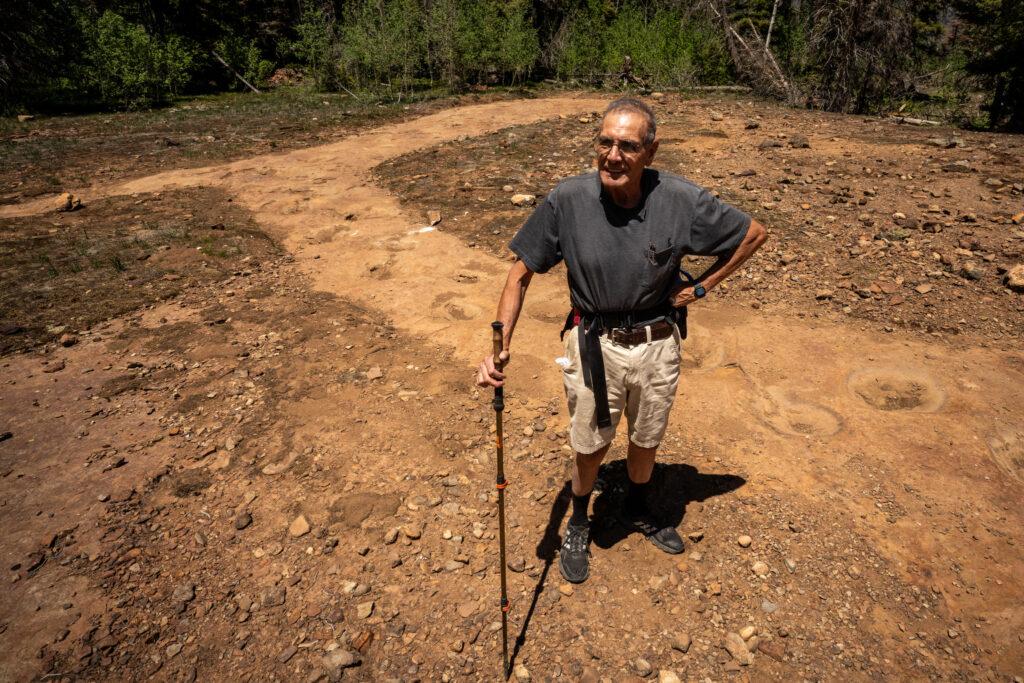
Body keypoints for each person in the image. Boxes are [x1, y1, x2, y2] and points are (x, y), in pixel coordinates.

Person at [476, 98, 767, 584]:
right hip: (593, 342)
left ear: (650, 152)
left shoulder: (679, 199)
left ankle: (637, 505)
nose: (613, 155)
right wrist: (499, 346)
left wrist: (701, 287)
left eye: (628, 146)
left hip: (658, 341)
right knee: (589, 444)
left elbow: (753, 234)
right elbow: (520, 272)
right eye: (605, 142)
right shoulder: (567, 200)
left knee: (647, 435)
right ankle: (579, 520)